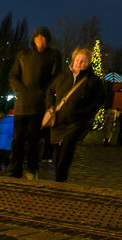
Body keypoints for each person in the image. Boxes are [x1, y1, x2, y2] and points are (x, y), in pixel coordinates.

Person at [8, 26, 62, 180]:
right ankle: (15, 169)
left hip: (39, 105)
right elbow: (13, 75)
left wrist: (45, 92)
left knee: (33, 139)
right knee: (18, 139)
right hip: (22, 104)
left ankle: (32, 167)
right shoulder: (23, 55)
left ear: (48, 40)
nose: (41, 41)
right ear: (34, 39)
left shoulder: (53, 55)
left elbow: (56, 77)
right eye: (38, 38)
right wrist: (21, 90)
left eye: (44, 38)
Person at [45, 47, 105, 182]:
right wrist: (50, 107)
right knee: (57, 154)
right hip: (57, 122)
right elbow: (49, 90)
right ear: (73, 60)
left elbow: (100, 99)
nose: (79, 63)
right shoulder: (63, 76)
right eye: (78, 60)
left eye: (83, 61)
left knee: (66, 153)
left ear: (88, 63)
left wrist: (85, 112)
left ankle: (60, 181)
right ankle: (59, 178)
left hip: (75, 124)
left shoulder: (92, 80)